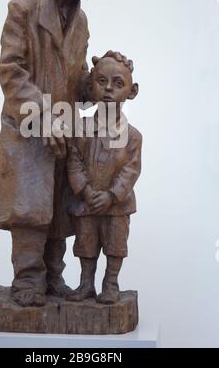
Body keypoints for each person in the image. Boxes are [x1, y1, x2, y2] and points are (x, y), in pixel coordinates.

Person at [0, 0, 113, 307]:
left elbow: (73, 76)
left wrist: (98, 80)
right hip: (28, 129)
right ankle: (28, 281)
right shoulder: (23, 7)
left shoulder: (81, 20)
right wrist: (43, 117)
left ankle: (54, 276)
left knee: (59, 212)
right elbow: (12, 71)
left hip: (64, 129)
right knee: (29, 211)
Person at [67, 51, 142, 304]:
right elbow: (74, 162)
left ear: (132, 92)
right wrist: (86, 192)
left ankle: (111, 284)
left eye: (118, 83)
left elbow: (131, 170)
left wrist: (111, 195)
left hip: (116, 207)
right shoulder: (82, 129)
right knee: (86, 244)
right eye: (101, 81)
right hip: (86, 204)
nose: (109, 89)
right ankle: (86, 283)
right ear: (90, 86)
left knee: (115, 245)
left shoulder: (133, 136)